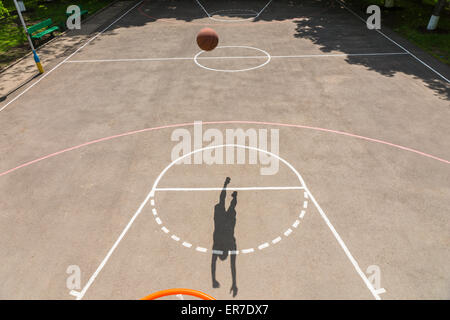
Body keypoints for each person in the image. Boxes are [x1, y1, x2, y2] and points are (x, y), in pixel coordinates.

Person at [211, 177, 238, 297]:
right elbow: (213, 263)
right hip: (223, 222)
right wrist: (213, 279)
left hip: (225, 223)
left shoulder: (229, 246)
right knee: (223, 201)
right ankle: (227, 187)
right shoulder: (218, 246)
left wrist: (234, 283)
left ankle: (234, 195)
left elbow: (232, 265)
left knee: (231, 206)